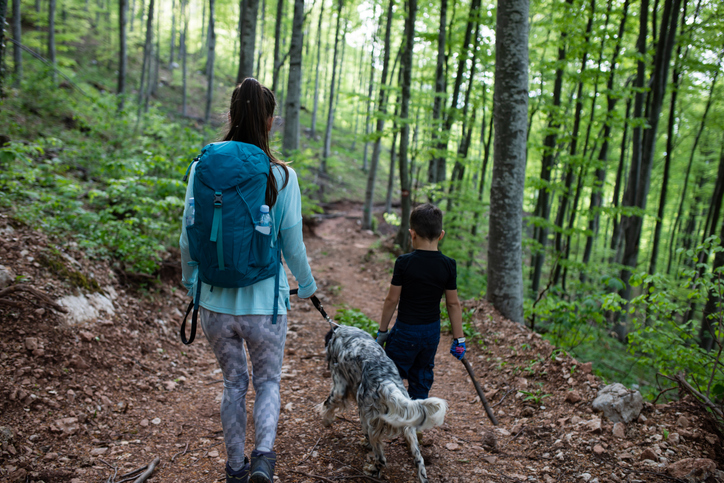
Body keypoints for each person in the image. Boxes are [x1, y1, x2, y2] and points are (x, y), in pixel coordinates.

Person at [179, 78, 317, 483]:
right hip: (266, 307)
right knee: (269, 381)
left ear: (232, 116)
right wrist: (307, 285)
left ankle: (235, 469)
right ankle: (263, 461)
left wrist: (192, 282)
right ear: (270, 122)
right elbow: (292, 242)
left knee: (234, 384)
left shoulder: (200, 168)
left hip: (215, 305)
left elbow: (188, 234)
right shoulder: (282, 176)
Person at [376, 203, 465, 401]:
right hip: (431, 333)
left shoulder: (404, 262)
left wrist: (383, 332)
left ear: (412, 234)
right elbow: (453, 304)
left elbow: (392, 299)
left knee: (391, 375)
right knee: (422, 376)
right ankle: (417, 421)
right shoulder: (449, 265)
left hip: (405, 331)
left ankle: (391, 417)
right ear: (441, 235)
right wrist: (459, 339)